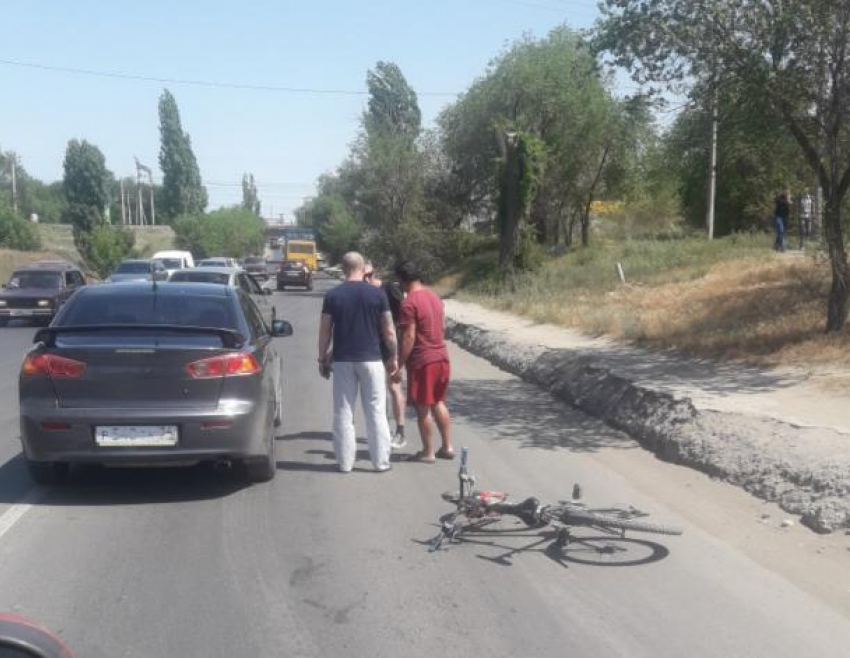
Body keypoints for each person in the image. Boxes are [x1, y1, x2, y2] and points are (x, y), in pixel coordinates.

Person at [318, 252, 398, 473]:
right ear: (363, 268)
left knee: (343, 412)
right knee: (376, 412)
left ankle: (345, 463)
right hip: (372, 360)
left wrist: (322, 358)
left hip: (343, 361)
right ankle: (381, 462)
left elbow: (325, 331)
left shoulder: (333, 295)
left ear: (343, 269)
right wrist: (394, 356)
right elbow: (389, 331)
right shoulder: (377, 295)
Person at [394, 261, 454, 463]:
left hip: (423, 360)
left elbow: (409, 337)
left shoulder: (409, 303)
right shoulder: (434, 297)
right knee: (438, 402)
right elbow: (443, 328)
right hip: (442, 357)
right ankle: (447, 446)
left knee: (422, 407)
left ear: (403, 280)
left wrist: (399, 363)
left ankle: (428, 453)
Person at [364, 261, 407, 449]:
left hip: (392, 345)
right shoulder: (363, 293)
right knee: (376, 390)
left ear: (374, 274)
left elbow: (405, 318)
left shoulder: (390, 290)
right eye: (362, 275)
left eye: (369, 275)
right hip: (374, 346)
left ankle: (400, 431)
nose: (366, 279)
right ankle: (385, 428)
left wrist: (398, 352)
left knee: (394, 387)